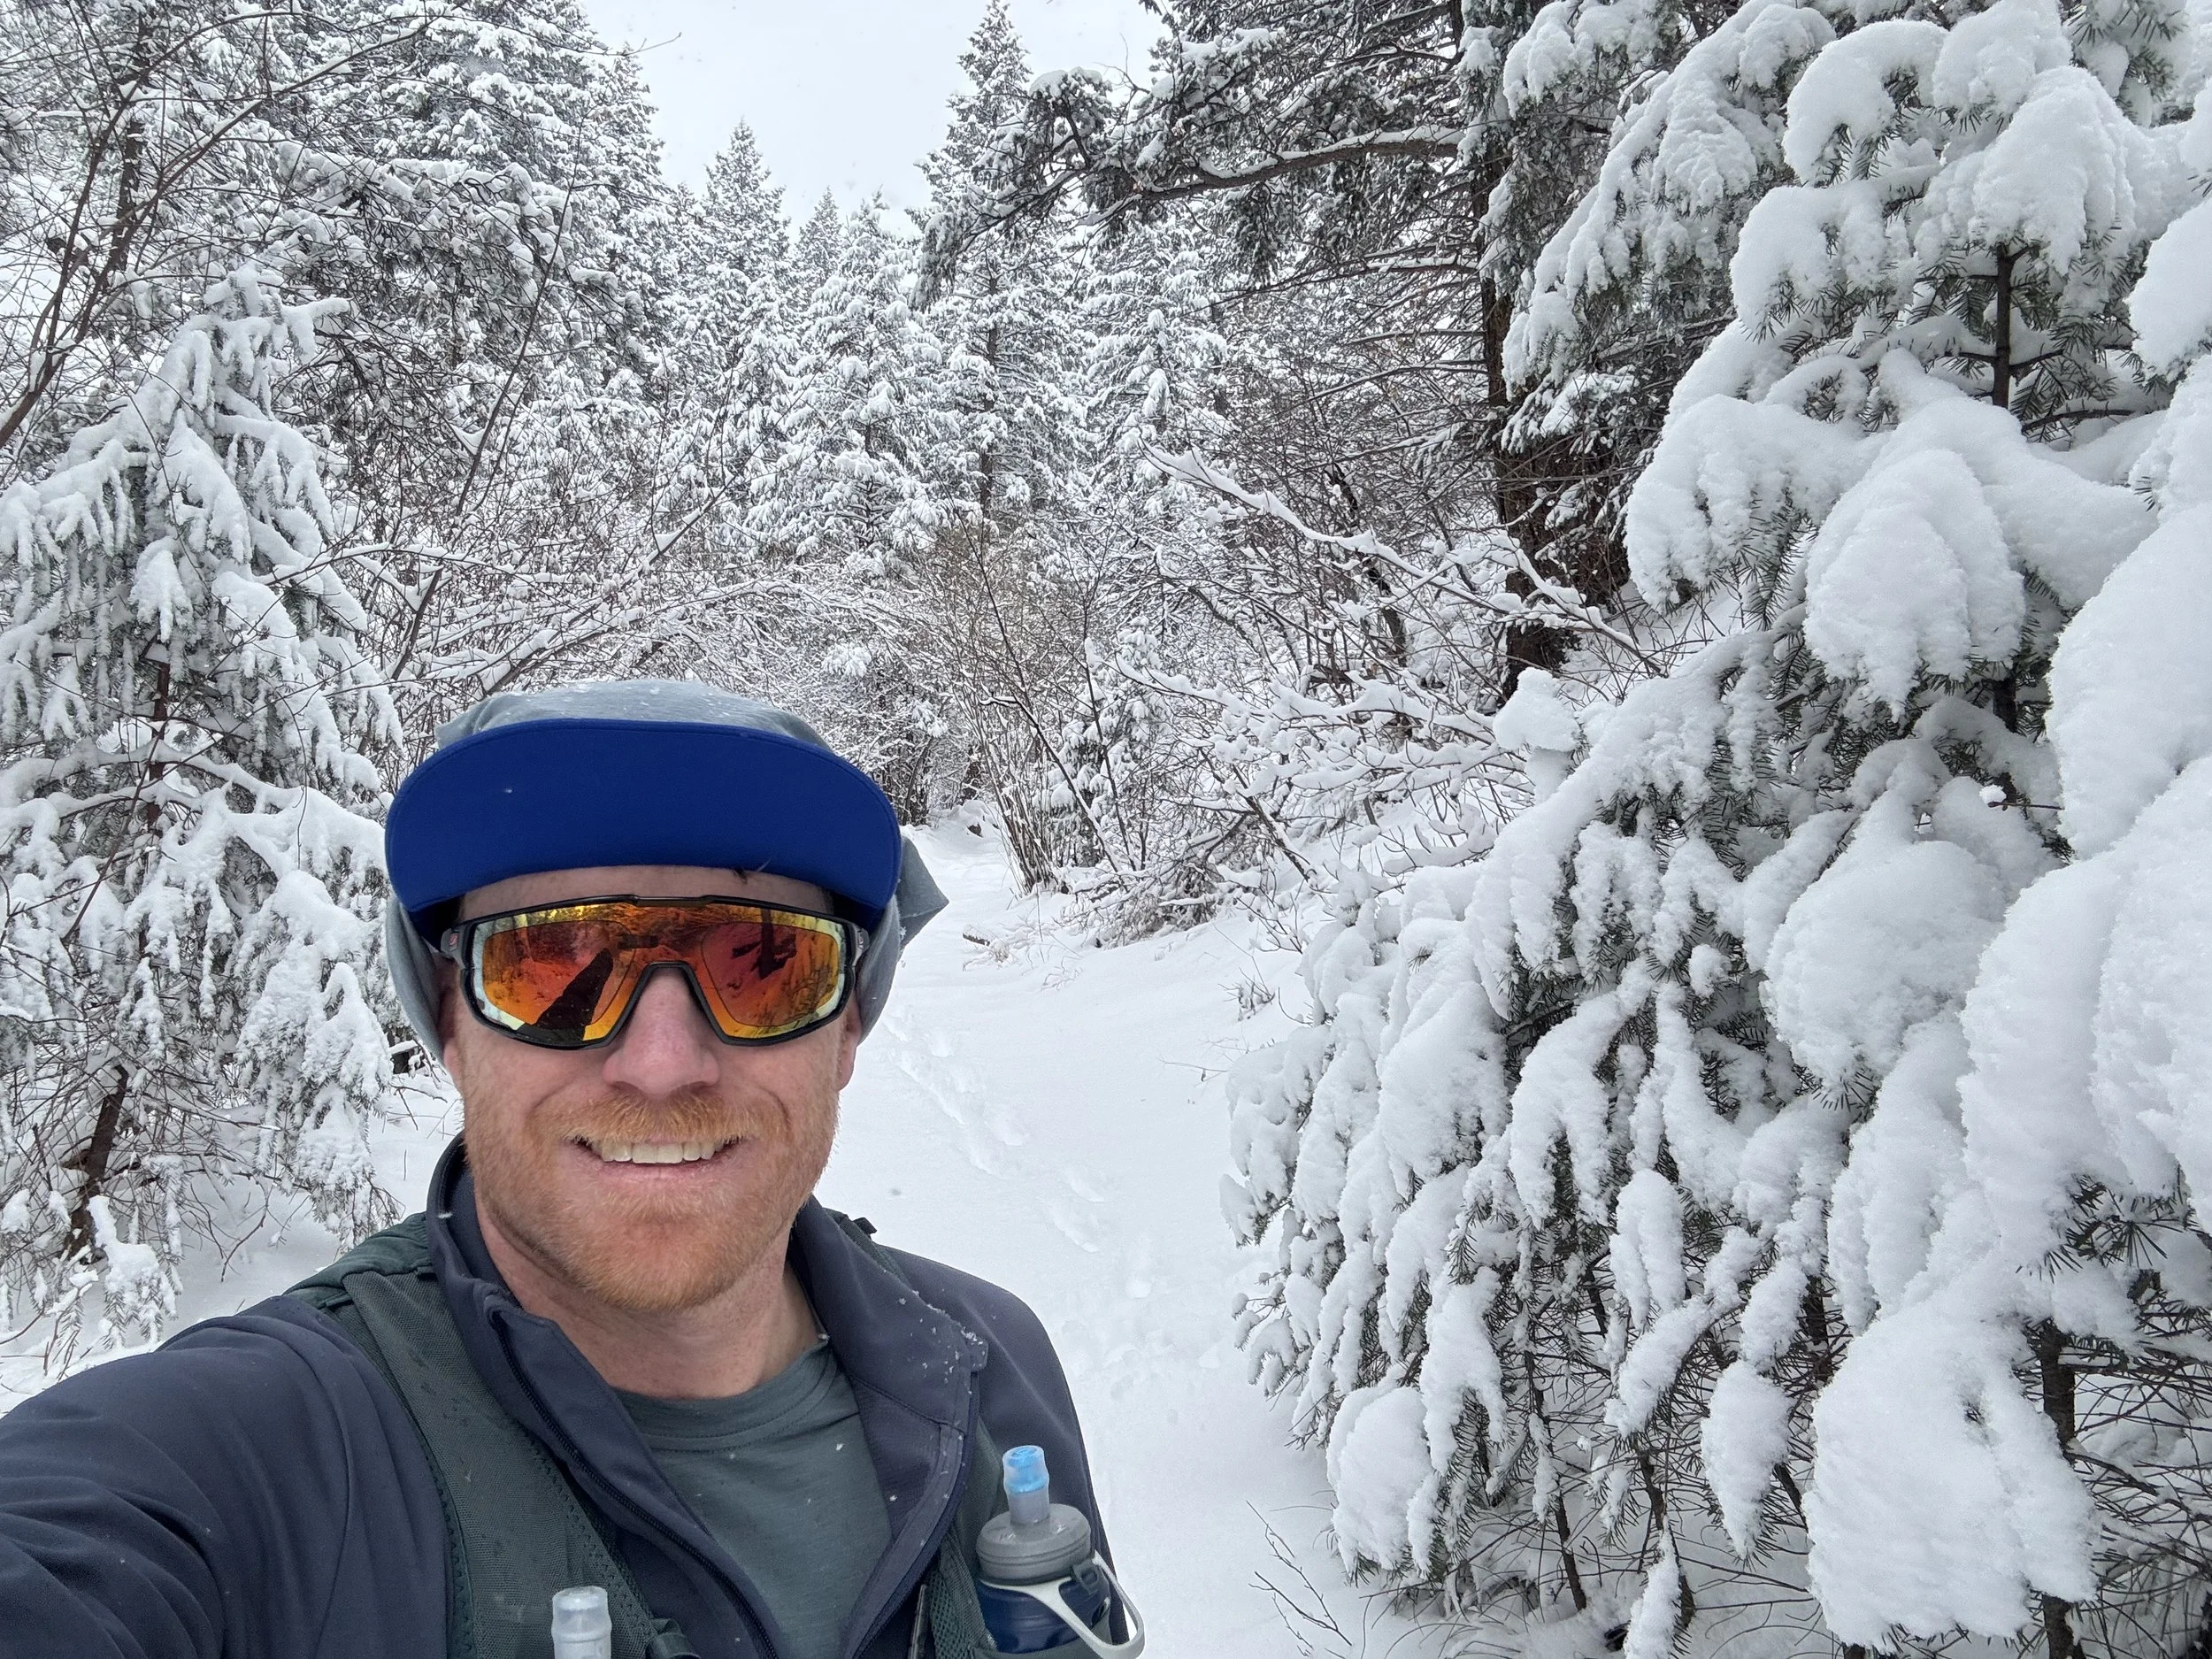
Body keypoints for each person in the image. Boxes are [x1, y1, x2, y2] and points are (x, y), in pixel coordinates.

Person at [0, 681, 1119, 1659]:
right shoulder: (270, 1455)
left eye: (759, 965)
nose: (663, 1063)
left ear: (845, 1032)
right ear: (449, 1022)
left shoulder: (986, 1367)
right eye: (555, 967)